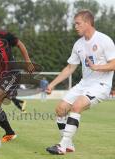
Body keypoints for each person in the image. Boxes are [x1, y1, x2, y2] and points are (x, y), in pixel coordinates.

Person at [46, 10, 115, 155]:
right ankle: (69, 144)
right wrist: (52, 84)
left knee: (77, 106)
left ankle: (62, 146)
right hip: (85, 83)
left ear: (88, 23)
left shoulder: (104, 40)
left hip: (101, 85)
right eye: (74, 24)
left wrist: (97, 67)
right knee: (60, 109)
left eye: (78, 23)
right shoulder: (78, 44)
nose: (75, 27)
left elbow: (114, 64)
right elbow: (70, 67)